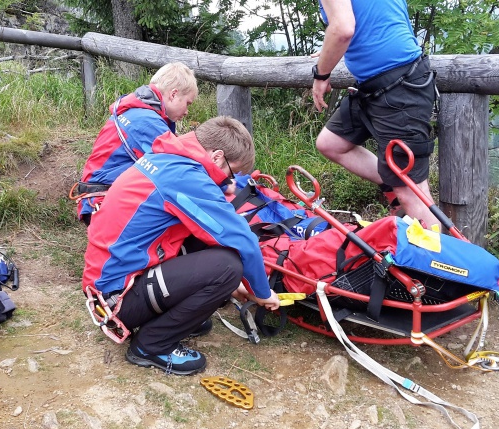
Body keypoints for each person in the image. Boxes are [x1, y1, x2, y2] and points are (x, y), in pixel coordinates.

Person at [82, 116, 280, 375]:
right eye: (232, 173)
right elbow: (244, 241)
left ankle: (171, 318)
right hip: (116, 299)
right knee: (228, 267)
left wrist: (239, 286)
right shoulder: (185, 176)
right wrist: (262, 292)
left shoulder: (168, 156)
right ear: (218, 156)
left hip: (107, 285)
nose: (228, 182)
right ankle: (151, 346)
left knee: (209, 241)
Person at [312, 0, 440, 228]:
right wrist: (328, 52)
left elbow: (342, 28)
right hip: (376, 86)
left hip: (398, 87)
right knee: (331, 143)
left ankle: (440, 260)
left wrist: (321, 75)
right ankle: (392, 185)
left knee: (412, 191)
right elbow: (378, 21)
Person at [73, 62, 198, 226]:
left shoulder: (139, 111)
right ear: (173, 94)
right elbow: (178, 165)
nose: (187, 111)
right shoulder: (145, 120)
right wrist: (222, 181)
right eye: (188, 103)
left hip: (99, 197)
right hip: (101, 203)